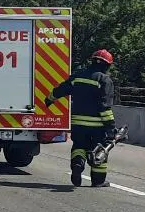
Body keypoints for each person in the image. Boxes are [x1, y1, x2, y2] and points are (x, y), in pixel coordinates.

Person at [46, 48, 117, 187]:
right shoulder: (104, 80)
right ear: (107, 65)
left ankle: (77, 165)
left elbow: (61, 89)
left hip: (78, 123)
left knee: (79, 146)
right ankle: (98, 181)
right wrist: (111, 128)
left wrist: (49, 99)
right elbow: (105, 107)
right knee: (100, 150)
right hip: (98, 126)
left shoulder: (78, 76)